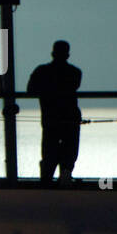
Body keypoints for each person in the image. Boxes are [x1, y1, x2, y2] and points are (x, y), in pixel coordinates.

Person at [26, 40, 83, 184]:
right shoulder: (75, 72)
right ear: (67, 54)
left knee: (50, 153)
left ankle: (46, 182)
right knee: (69, 154)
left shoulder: (41, 71)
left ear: (53, 53)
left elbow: (30, 90)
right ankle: (65, 179)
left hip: (51, 118)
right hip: (70, 118)